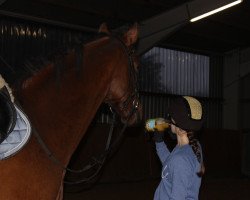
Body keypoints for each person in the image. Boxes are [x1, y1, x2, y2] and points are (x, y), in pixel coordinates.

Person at [153, 96, 205, 200]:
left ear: (177, 126)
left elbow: (177, 165)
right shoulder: (194, 146)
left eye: (170, 117)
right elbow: (170, 167)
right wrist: (159, 142)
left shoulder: (180, 160)